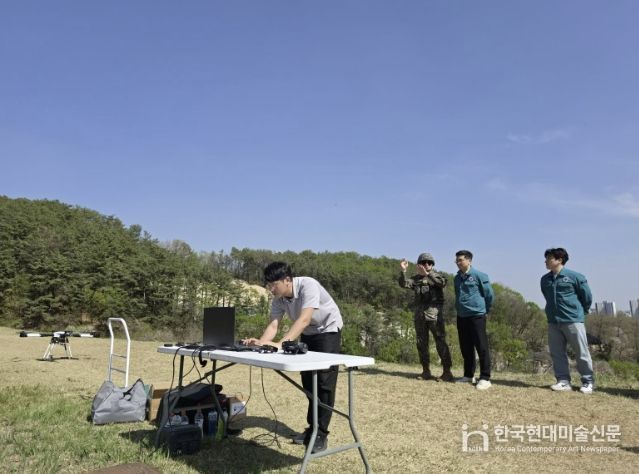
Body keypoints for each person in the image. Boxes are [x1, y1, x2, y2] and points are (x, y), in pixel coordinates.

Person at [243, 261, 343, 453]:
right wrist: (261, 344)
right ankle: (311, 429)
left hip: (327, 330)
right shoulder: (278, 299)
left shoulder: (308, 285)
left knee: (324, 383)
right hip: (308, 333)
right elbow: (273, 325)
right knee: (308, 382)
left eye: (274, 285)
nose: (271, 289)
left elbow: (304, 319)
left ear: (287, 280)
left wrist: (281, 344)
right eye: (268, 285)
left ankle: (320, 434)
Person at [540, 248, 594, 394]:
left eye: (549, 258)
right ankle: (563, 381)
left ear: (559, 260)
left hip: (573, 320)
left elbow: (587, 297)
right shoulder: (545, 279)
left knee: (581, 352)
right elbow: (547, 296)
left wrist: (580, 312)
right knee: (557, 353)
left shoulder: (575, 277)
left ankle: (588, 382)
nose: (545, 261)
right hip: (553, 321)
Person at [399, 252, 453, 382]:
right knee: (421, 343)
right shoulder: (416, 279)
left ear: (432, 265)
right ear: (419, 265)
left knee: (440, 343)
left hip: (434, 316)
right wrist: (403, 271)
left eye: (429, 263)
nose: (426, 265)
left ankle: (447, 372)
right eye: (423, 263)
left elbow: (441, 283)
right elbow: (403, 284)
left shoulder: (437, 276)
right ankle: (426, 371)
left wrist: (428, 275)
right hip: (420, 316)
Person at [453, 250, 494, 390]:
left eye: (460, 260)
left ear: (469, 260)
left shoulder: (479, 276)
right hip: (461, 316)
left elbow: (489, 295)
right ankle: (468, 375)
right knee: (466, 347)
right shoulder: (456, 278)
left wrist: (484, 310)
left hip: (477, 316)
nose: (458, 263)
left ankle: (485, 378)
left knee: (481, 347)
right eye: (457, 260)